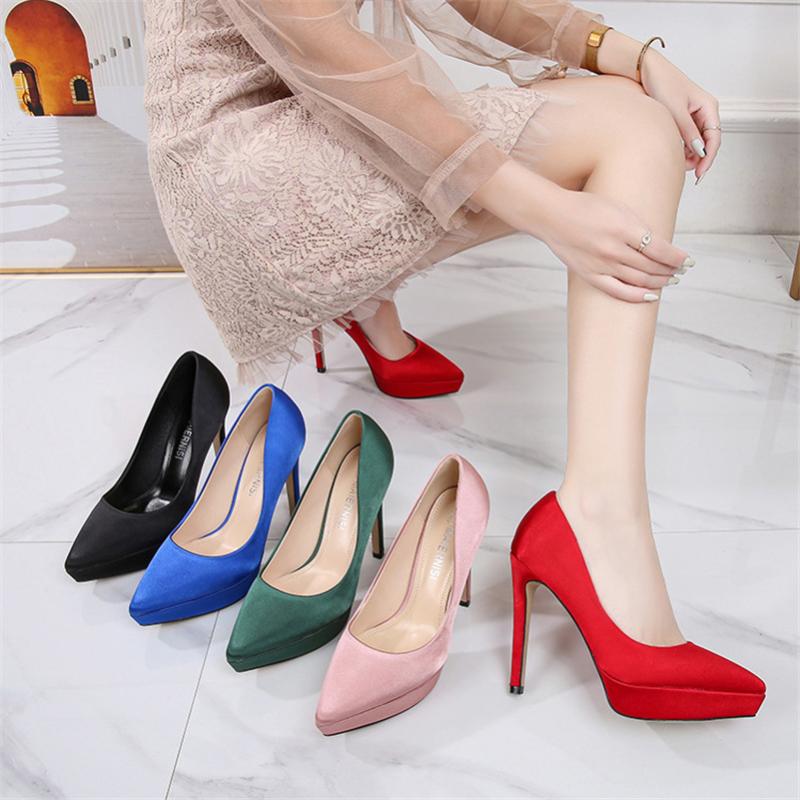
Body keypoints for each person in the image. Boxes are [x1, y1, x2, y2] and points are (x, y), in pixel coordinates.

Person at [142, 1, 727, 669]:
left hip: (305, 107)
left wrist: (640, 57)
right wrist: (552, 215)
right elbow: (328, 53)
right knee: (636, 130)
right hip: (235, 159)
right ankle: (600, 515)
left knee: (634, 102)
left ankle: (373, 313)